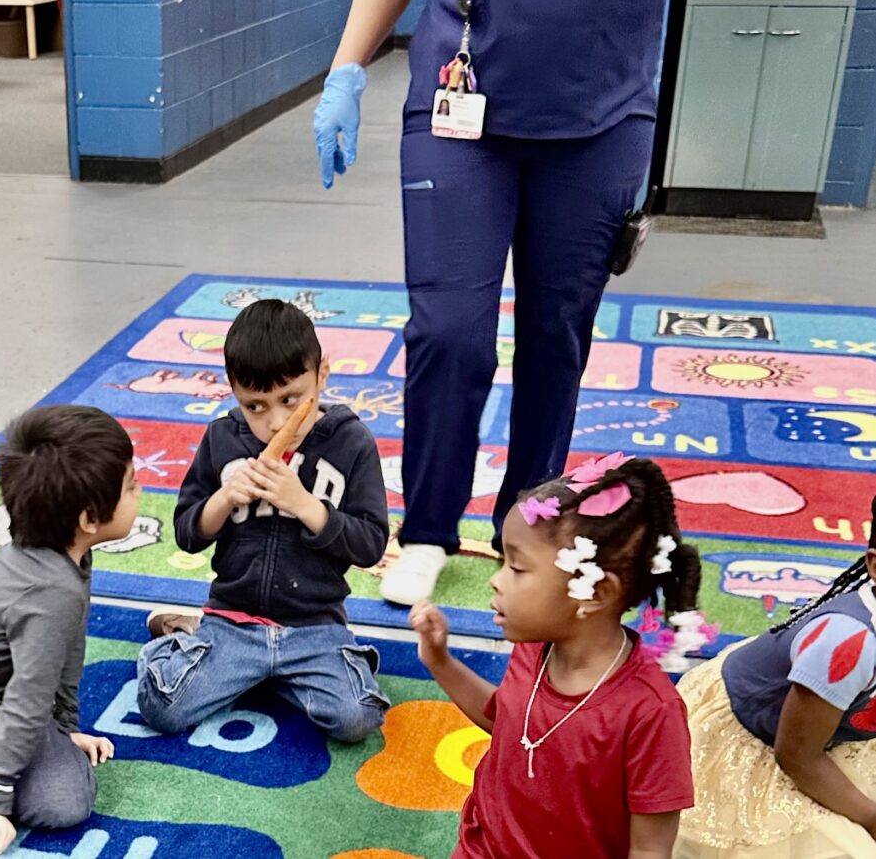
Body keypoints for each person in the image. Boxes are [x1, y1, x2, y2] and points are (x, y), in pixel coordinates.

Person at [313, 0, 775, 606]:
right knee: (450, 329)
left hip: (598, 121)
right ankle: (430, 525)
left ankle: (527, 522)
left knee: (557, 335)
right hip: (462, 108)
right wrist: (347, 65)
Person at [411, 453, 699, 859]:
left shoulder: (649, 713)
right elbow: (506, 720)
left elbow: (650, 849)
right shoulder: (533, 647)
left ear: (594, 594)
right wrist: (440, 660)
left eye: (517, 567)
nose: (495, 581)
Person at [136, 298, 391, 743]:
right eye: (255, 406)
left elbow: (370, 544)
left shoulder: (352, 443)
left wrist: (307, 506)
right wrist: (222, 500)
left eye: (291, 400)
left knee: (357, 719)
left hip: (315, 628)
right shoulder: (222, 438)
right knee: (163, 708)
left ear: (322, 375)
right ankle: (178, 636)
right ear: (233, 391)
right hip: (233, 622)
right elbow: (186, 534)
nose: (275, 423)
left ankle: (259, 675)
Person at [0, 406, 139, 857]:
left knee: (58, 780)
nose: (140, 492)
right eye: (131, 486)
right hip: (0, 713)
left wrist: (64, 728)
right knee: (65, 801)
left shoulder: (57, 557)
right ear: (90, 519)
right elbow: (27, 697)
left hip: (1, 712)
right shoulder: (50, 592)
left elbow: (65, 656)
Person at [676, 499, 876, 859]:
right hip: (765, 747)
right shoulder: (846, 645)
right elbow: (797, 756)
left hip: (834, 725)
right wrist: (871, 821)